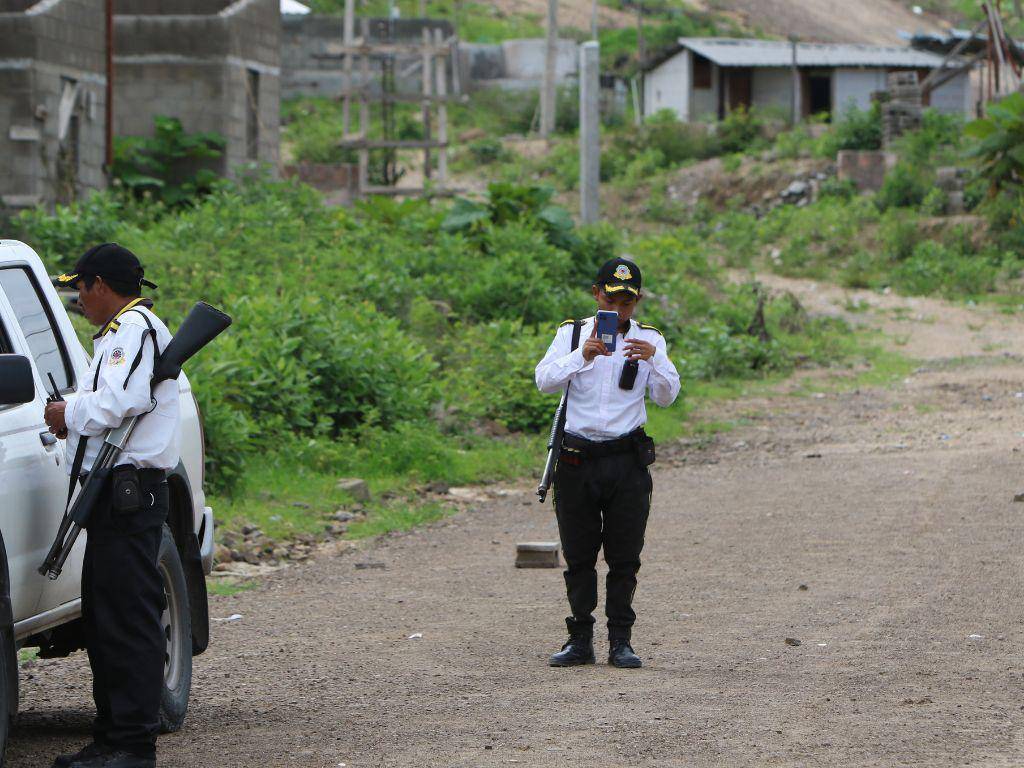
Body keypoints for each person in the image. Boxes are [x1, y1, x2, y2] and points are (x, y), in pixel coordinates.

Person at [44, 243, 179, 768]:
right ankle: (111, 738)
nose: (79, 298)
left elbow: (123, 402)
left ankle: (132, 744)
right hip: (113, 491)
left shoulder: (133, 330)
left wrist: (65, 411)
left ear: (100, 284)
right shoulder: (119, 334)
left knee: (127, 619)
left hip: (131, 490)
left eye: (80, 287)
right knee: (104, 617)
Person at [535, 257, 680, 669]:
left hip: (626, 461)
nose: (620, 311)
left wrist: (655, 359)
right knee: (579, 554)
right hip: (577, 459)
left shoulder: (649, 340)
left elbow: (667, 396)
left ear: (638, 301)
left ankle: (621, 641)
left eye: (628, 303)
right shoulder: (572, 335)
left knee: (624, 555)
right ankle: (579, 638)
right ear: (596, 294)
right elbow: (544, 381)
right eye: (612, 300)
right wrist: (582, 356)